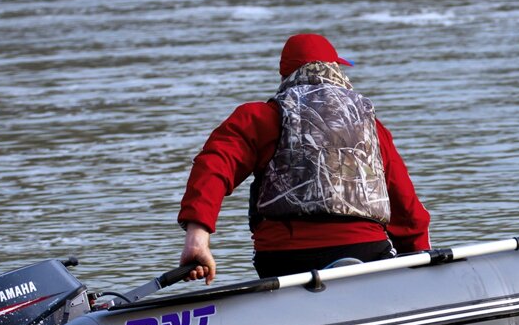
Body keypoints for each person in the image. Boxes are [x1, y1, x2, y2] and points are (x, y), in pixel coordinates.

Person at [178, 34, 431, 283]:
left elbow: (213, 166)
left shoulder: (261, 117)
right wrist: (419, 261)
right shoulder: (370, 126)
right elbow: (406, 209)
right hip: (364, 251)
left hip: (283, 260)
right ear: (336, 70)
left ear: (285, 76)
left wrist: (197, 238)